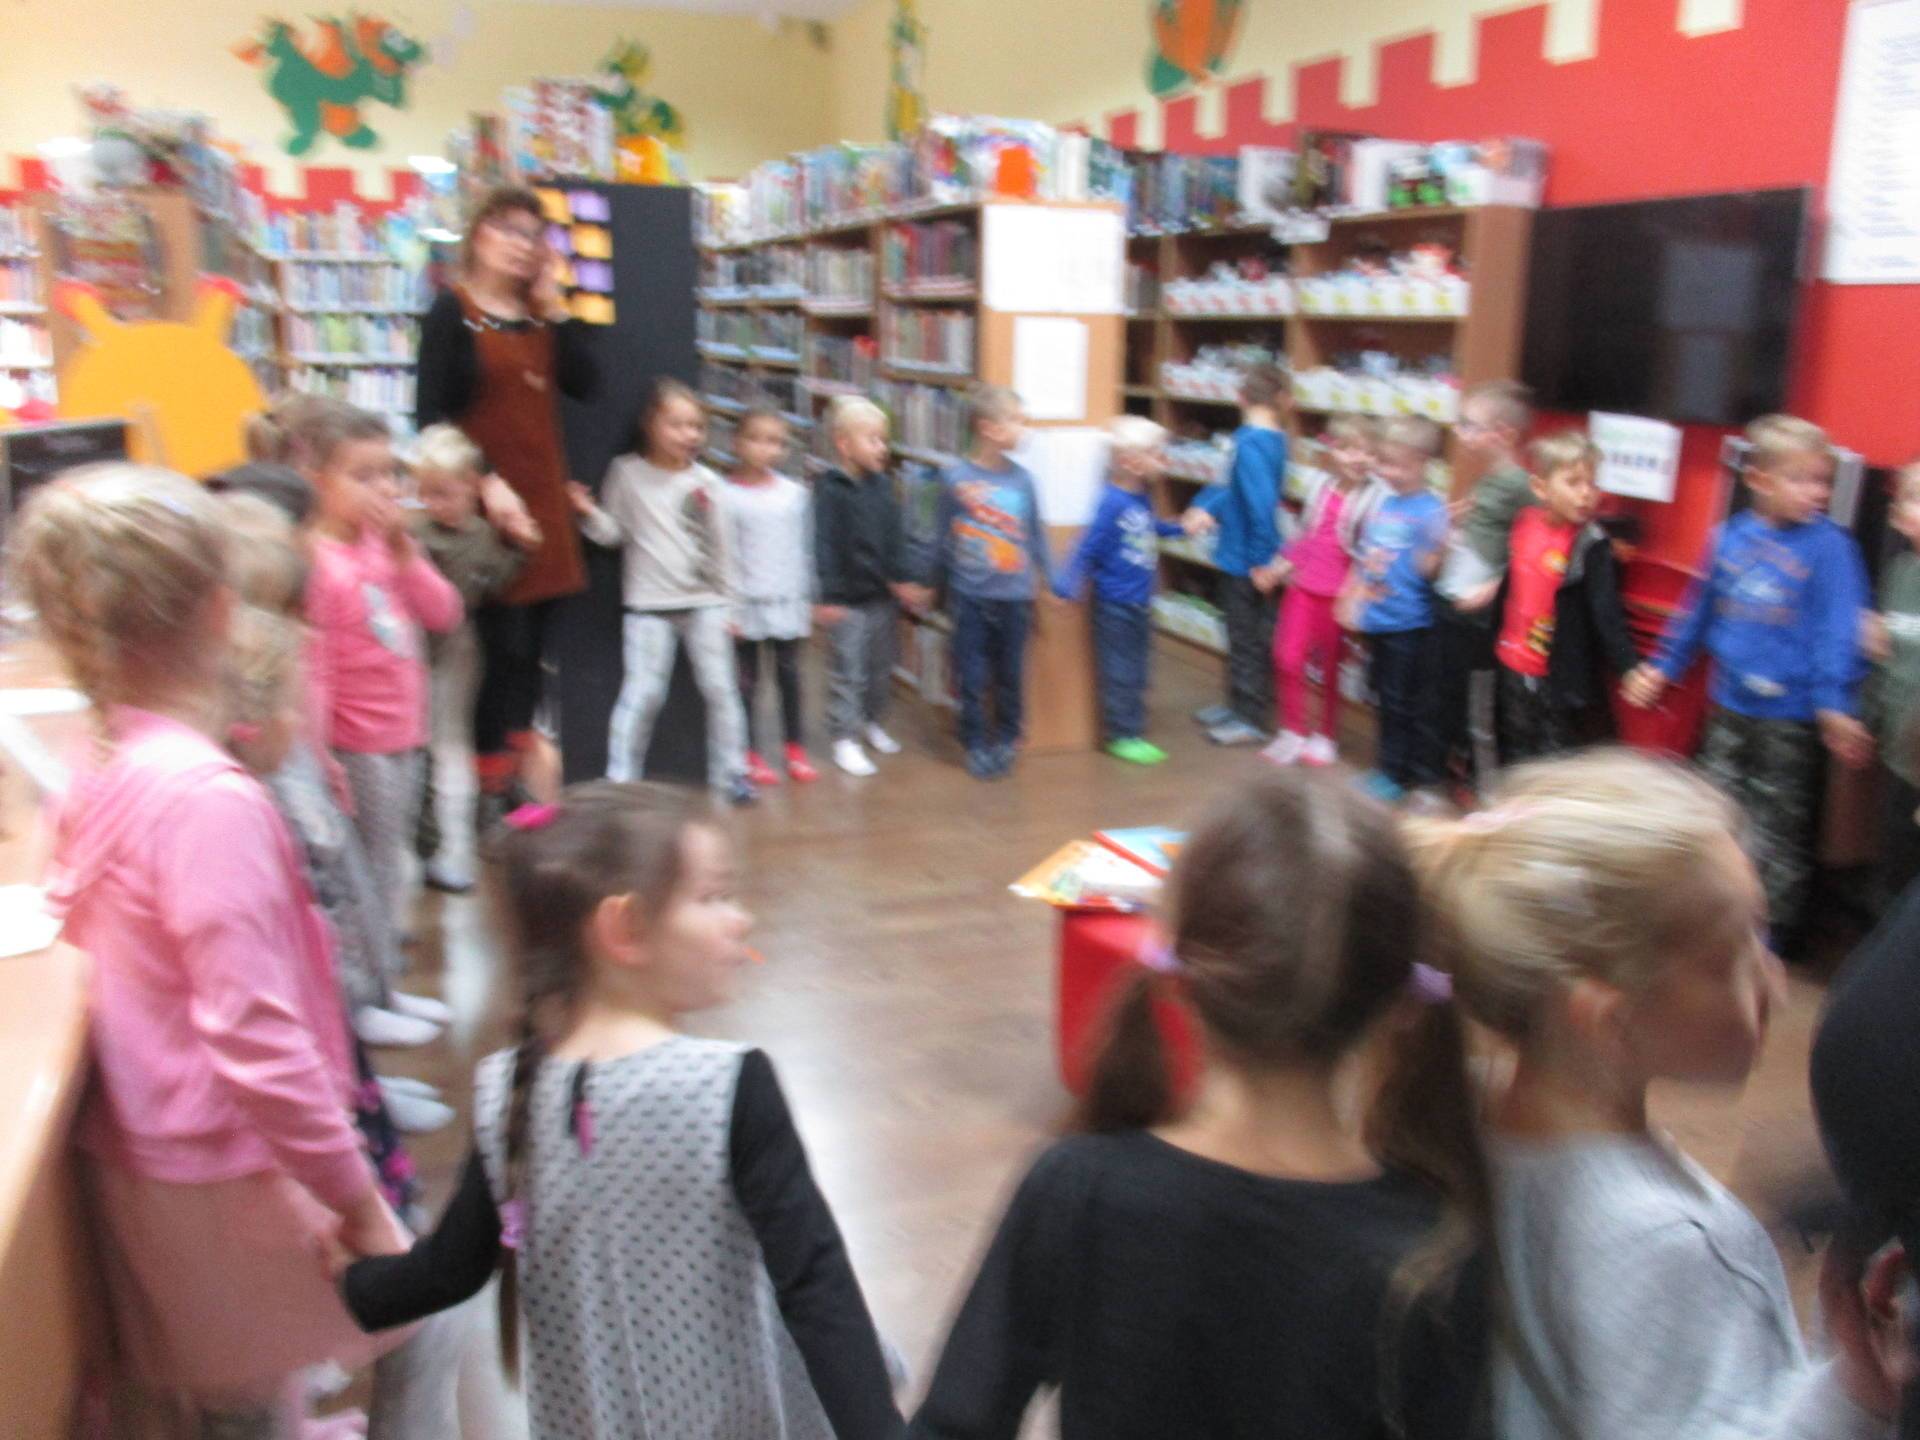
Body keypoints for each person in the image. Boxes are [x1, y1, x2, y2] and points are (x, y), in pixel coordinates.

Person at [908, 769, 1490, 1439]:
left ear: (1175, 980)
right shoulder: (1436, 1256)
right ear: (1401, 1009)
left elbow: (953, 1424)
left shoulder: (1077, 1189)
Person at [18, 466, 414, 1437]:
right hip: (221, 1167)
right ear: (221, 609)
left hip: (167, 1149)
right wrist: (355, 1199)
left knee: (245, 1384)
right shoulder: (205, 798)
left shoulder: (109, 764)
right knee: (317, 1366)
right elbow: (253, 1035)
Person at [339, 782, 904, 1440]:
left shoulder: (506, 1093)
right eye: (713, 896)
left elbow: (448, 1271)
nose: (740, 919)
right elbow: (816, 1287)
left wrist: (353, 1285)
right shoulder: (729, 1088)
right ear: (625, 929)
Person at [1407, 747, 1896, 1440]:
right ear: (1609, 1017)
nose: (1776, 981)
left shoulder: (1462, 1119)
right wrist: (1852, 1394)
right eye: (1738, 953)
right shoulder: (1664, 1245)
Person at [1624, 414, 1873, 951]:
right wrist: (1662, 666)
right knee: (1719, 812)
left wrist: (1833, 703)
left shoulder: (1832, 547)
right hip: (1729, 707)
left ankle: (1767, 936)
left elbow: (1839, 630)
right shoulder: (1729, 537)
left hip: (1791, 718)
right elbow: (1698, 612)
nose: (1817, 492)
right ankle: (1715, 911)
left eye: (1823, 481)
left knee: (1780, 827)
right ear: (1759, 479)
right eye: (1801, 479)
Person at [416, 185, 599, 815]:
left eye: (535, 235)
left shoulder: (540, 315)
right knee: (501, 654)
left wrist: (556, 307)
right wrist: (485, 481)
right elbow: (429, 416)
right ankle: (488, 789)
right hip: (485, 512)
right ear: (479, 234)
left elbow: (587, 384)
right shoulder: (452, 311)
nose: (524, 245)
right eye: (510, 230)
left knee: (533, 657)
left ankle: (518, 783)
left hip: (544, 507)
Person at [302, 404, 463, 938]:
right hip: (357, 743)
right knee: (368, 862)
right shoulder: (317, 562)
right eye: (363, 476)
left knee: (389, 854)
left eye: (389, 473)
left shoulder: (386, 545)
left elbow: (444, 612)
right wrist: (321, 755)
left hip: (406, 732)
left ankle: (384, 947)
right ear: (318, 481)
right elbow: (315, 672)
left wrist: (402, 552)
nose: (385, 489)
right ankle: (375, 962)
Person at [570, 378, 754, 805]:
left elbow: (724, 549)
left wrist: (734, 607)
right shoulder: (627, 473)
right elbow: (614, 533)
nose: (689, 435)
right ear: (651, 424)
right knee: (643, 693)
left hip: (706, 603)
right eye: (677, 424)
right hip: (649, 606)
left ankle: (733, 773)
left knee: (721, 690)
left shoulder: (708, 482)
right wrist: (586, 512)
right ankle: (621, 780)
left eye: (697, 426)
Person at [410, 423, 535, 893]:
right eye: (425, 494)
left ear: (470, 486)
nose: (433, 504)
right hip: (410, 654)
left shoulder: (483, 537)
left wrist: (522, 547)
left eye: (443, 493)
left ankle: (434, 847)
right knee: (422, 750)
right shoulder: (415, 534)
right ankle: (425, 844)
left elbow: (496, 579)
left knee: (437, 746)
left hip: (451, 655)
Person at [1492, 432, 1638, 766]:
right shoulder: (1525, 523)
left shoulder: (1591, 543)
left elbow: (1606, 611)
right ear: (1541, 487)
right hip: (1511, 663)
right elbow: (1509, 584)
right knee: (1514, 748)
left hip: (1556, 676)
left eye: (1592, 484)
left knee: (1554, 757)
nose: (1586, 494)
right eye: (1573, 483)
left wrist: (1628, 666)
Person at [930, 385, 1054, 781]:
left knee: (1010, 674)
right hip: (969, 596)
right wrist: (930, 584)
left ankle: (1006, 739)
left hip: (1014, 596)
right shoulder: (955, 478)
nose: (1024, 429)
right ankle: (974, 743)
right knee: (971, 675)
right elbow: (941, 537)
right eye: (1017, 421)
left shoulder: (1024, 481)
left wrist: (1050, 580)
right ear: (988, 428)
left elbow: (1036, 534)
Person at [1256, 415, 1385, 769]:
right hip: (1302, 588)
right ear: (1332, 451)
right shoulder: (1320, 486)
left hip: (1338, 597)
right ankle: (1293, 731)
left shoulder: (1375, 497)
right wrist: (1278, 568)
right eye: (1349, 449)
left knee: (1328, 668)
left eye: (1368, 452)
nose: (1359, 458)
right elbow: (1304, 536)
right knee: (1287, 658)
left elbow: (1372, 553)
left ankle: (1325, 735)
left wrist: (1356, 596)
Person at [1054, 415, 1183, 766]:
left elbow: (1150, 528)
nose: (1163, 460)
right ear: (1130, 462)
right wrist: (1067, 585)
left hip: (1141, 602)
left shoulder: (1142, 497)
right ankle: (1122, 735)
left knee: (1140, 671)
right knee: (1119, 672)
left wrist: (1179, 529)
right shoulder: (1111, 502)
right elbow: (1087, 546)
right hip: (1114, 605)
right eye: (1156, 453)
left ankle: (1134, 730)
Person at [1433, 380, 1537, 788]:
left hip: (1481, 612)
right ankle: (1456, 770)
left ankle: (1485, 787)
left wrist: (1493, 586)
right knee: (1450, 692)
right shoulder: (1488, 480)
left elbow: (1531, 548)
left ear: (1503, 434)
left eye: (1470, 425)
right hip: (1456, 599)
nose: (1461, 433)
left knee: (1479, 702)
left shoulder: (1521, 484)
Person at [1343, 416, 1449, 802]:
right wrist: (1355, 599)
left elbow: (1427, 570)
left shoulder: (1431, 509)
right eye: (1383, 462)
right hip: (1379, 619)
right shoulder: (1387, 503)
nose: (1386, 472)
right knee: (1383, 697)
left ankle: (1396, 774)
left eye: (1396, 464)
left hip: (1408, 623)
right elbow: (1369, 557)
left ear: (1421, 461)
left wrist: (1439, 547)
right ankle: (1390, 768)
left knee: (1400, 701)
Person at [814, 396, 922, 778]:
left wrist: (902, 578)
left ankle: (871, 720)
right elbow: (824, 544)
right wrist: (828, 595)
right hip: (846, 601)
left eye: (884, 440)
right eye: (873, 440)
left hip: (881, 599)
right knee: (848, 671)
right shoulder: (830, 490)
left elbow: (895, 538)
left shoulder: (883, 487)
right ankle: (844, 737)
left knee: (880, 668)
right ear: (844, 444)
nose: (882, 448)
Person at [1182, 362, 1289, 746]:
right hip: (1239, 554)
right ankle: (1237, 705)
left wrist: (1262, 561)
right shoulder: (1255, 439)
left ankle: (1251, 717)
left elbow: (1260, 505)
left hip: (1248, 561)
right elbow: (1230, 488)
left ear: (1240, 398)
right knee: (1239, 635)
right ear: (1284, 401)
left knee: (1248, 640)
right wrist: (1205, 507)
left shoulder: (1253, 444)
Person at [721, 408, 820, 786]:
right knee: (747, 682)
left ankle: (795, 748)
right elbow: (724, 554)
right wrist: (728, 607)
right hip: (745, 605)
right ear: (737, 442)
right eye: (756, 439)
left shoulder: (794, 495)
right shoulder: (724, 495)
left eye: (775, 442)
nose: (765, 449)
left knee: (789, 677)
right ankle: (750, 753)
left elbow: (804, 548)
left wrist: (809, 598)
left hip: (786, 601)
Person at [1863, 461, 1920, 905]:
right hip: (1901, 753)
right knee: (1895, 863)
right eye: (1915, 498)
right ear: (1898, 516)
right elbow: (1883, 658)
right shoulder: (1900, 571)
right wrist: (1866, 718)